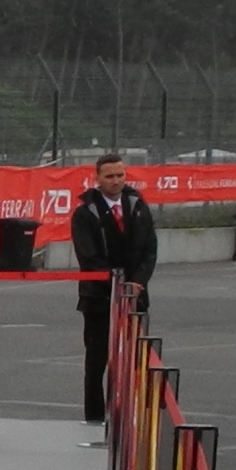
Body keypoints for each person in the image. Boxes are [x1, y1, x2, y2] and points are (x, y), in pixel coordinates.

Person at [69, 152, 156, 426]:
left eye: (120, 175)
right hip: (98, 299)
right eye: (109, 176)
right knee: (97, 362)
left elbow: (150, 249)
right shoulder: (85, 213)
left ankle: (124, 417)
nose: (116, 181)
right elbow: (88, 256)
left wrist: (137, 282)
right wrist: (116, 283)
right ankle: (94, 417)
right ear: (98, 178)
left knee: (130, 362)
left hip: (135, 297)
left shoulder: (138, 206)